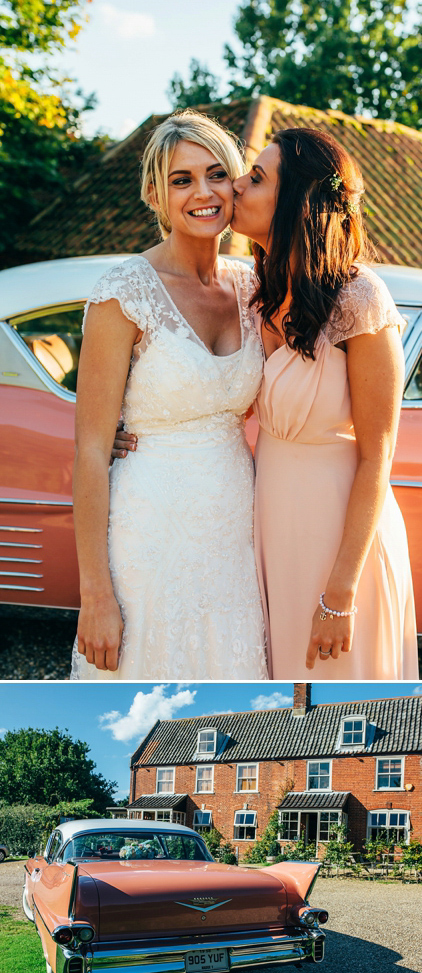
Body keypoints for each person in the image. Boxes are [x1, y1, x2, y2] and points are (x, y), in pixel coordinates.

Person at [72, 110, 268, 679]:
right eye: (181, 180)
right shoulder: (122, 295)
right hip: (148, 527)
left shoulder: (253, 285)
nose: (202, 193)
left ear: (234, 182)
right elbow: (89, 451)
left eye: (214, 174)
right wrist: (96, 595)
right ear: (155, 195)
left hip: (236, 528)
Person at [231, 127, 418, 679]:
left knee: (338, 682)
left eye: (257, 177)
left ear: (297, 202)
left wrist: (340, 595)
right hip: (274, 527)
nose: (236, 186)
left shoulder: (361, 298)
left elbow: (378, 453)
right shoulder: (254, 291)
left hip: (341, 540)